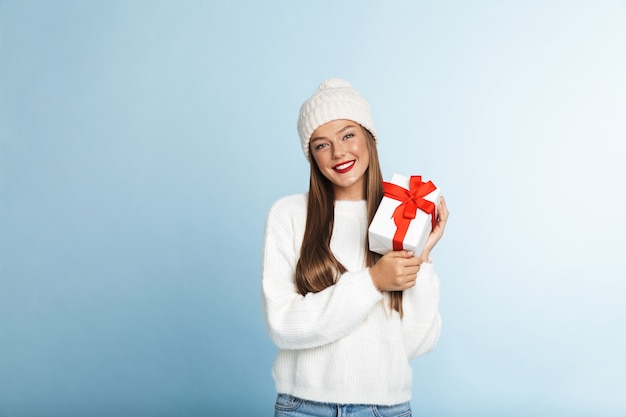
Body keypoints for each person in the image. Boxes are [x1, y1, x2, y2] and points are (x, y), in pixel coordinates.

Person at [261, 78, 449, 417]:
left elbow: (415, 344)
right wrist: (373, 281)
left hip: (385, 408)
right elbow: (282, 324)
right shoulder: (288, 215)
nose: (338, 153)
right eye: (321, 144)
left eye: (348, 135)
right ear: (311, 155)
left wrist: (421, 258)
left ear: (369, 137)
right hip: (302, 407)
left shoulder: (398, 216)